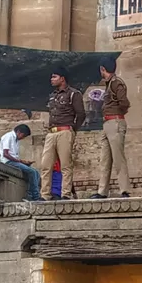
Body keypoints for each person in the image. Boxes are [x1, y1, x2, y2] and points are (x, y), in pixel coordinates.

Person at [40, 67, 85, 200]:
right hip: (51, 132)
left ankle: (65, 193)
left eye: (54, 77)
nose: (52, 79)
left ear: (62, 78)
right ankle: (45, 194)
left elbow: (81, 114)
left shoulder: (73, 94)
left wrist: (73, 129)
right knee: (45, 165)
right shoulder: (53, 95)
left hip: (65, 130)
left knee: (66, 165)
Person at [91, 58, 132, 199]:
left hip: (115, 121)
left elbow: (124, 103)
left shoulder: (116, 83)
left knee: (118, 158)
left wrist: (119, 113)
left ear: (103, 69)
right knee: (105, 159)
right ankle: (102, 191)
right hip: (107, 123)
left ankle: (124, 189)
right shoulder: (109, 85)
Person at [0, 123, 42, 201]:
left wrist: (23, 162)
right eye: (23, 135)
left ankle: (30, 194)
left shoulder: (16, 140)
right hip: (7, 162)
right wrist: (19, 161)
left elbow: (14, 155)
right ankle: (35, 196)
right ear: (19, 132)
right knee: (31, 172)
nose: (22, 138)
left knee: (36, 172)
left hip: (14, 161)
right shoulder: (8, 137)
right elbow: (6, 154)